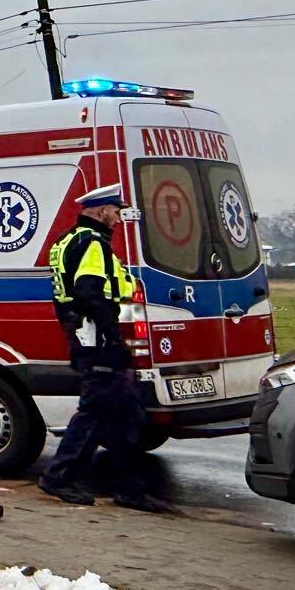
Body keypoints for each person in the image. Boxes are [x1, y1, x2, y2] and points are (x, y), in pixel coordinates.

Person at [37, 183, 173, 513]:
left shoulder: (66, 241)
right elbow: (89, 291)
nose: (118, 217)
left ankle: (129, 488)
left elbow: (66, 293)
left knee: (126, 412)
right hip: (97, 339)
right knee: (96, 410)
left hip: (85, 335)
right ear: (100, 211)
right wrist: (113, 338)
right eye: (115, 211)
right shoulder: (93, 244)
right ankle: (59, 478)